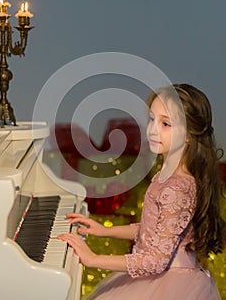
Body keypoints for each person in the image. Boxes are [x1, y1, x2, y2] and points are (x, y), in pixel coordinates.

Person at [58, 83, 226, 300]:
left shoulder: (177, 188)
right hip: (162, 278)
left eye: (165, 123)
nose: (153, 129)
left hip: (170, 285)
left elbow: (155, 261)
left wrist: (94, 259)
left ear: (189, 135)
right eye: (151, 119)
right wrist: (103, 230)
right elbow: (153, 231)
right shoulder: (168, 175)